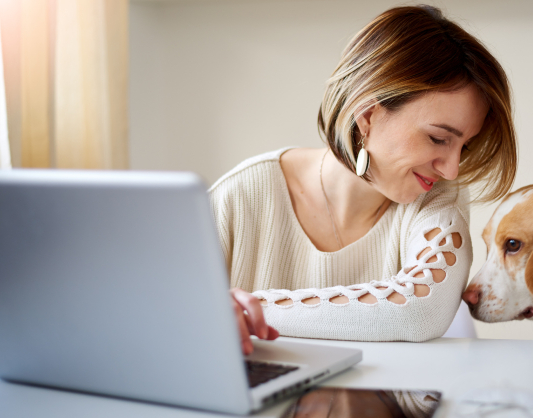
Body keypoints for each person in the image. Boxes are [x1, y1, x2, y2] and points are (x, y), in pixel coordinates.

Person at [210, 5, 517, 356]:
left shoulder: (436, 199)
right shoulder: (238, 197)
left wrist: (249, 310)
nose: (451, 170)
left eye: (464, 145)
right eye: (438, 138)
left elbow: (420, 312)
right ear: (368, 116)